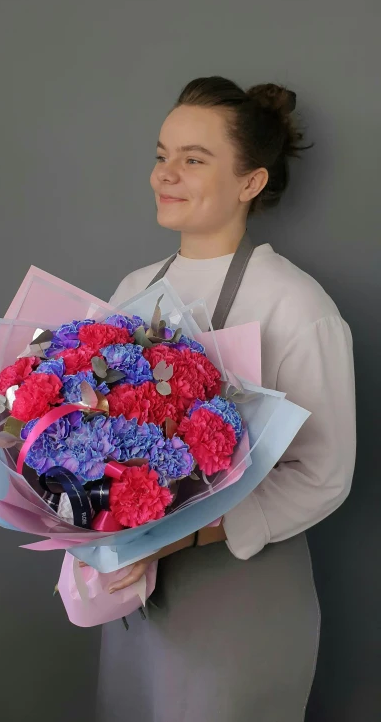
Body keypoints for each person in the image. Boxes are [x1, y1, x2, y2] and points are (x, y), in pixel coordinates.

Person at [95, 77, 356, 722]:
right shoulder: (133, 289)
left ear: (250, 183)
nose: (166, 175)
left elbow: (325, 475)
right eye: (162, 155)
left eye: (193, 159)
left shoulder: (294, 304)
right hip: (133, 596)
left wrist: (187, 536)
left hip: (241, 597)